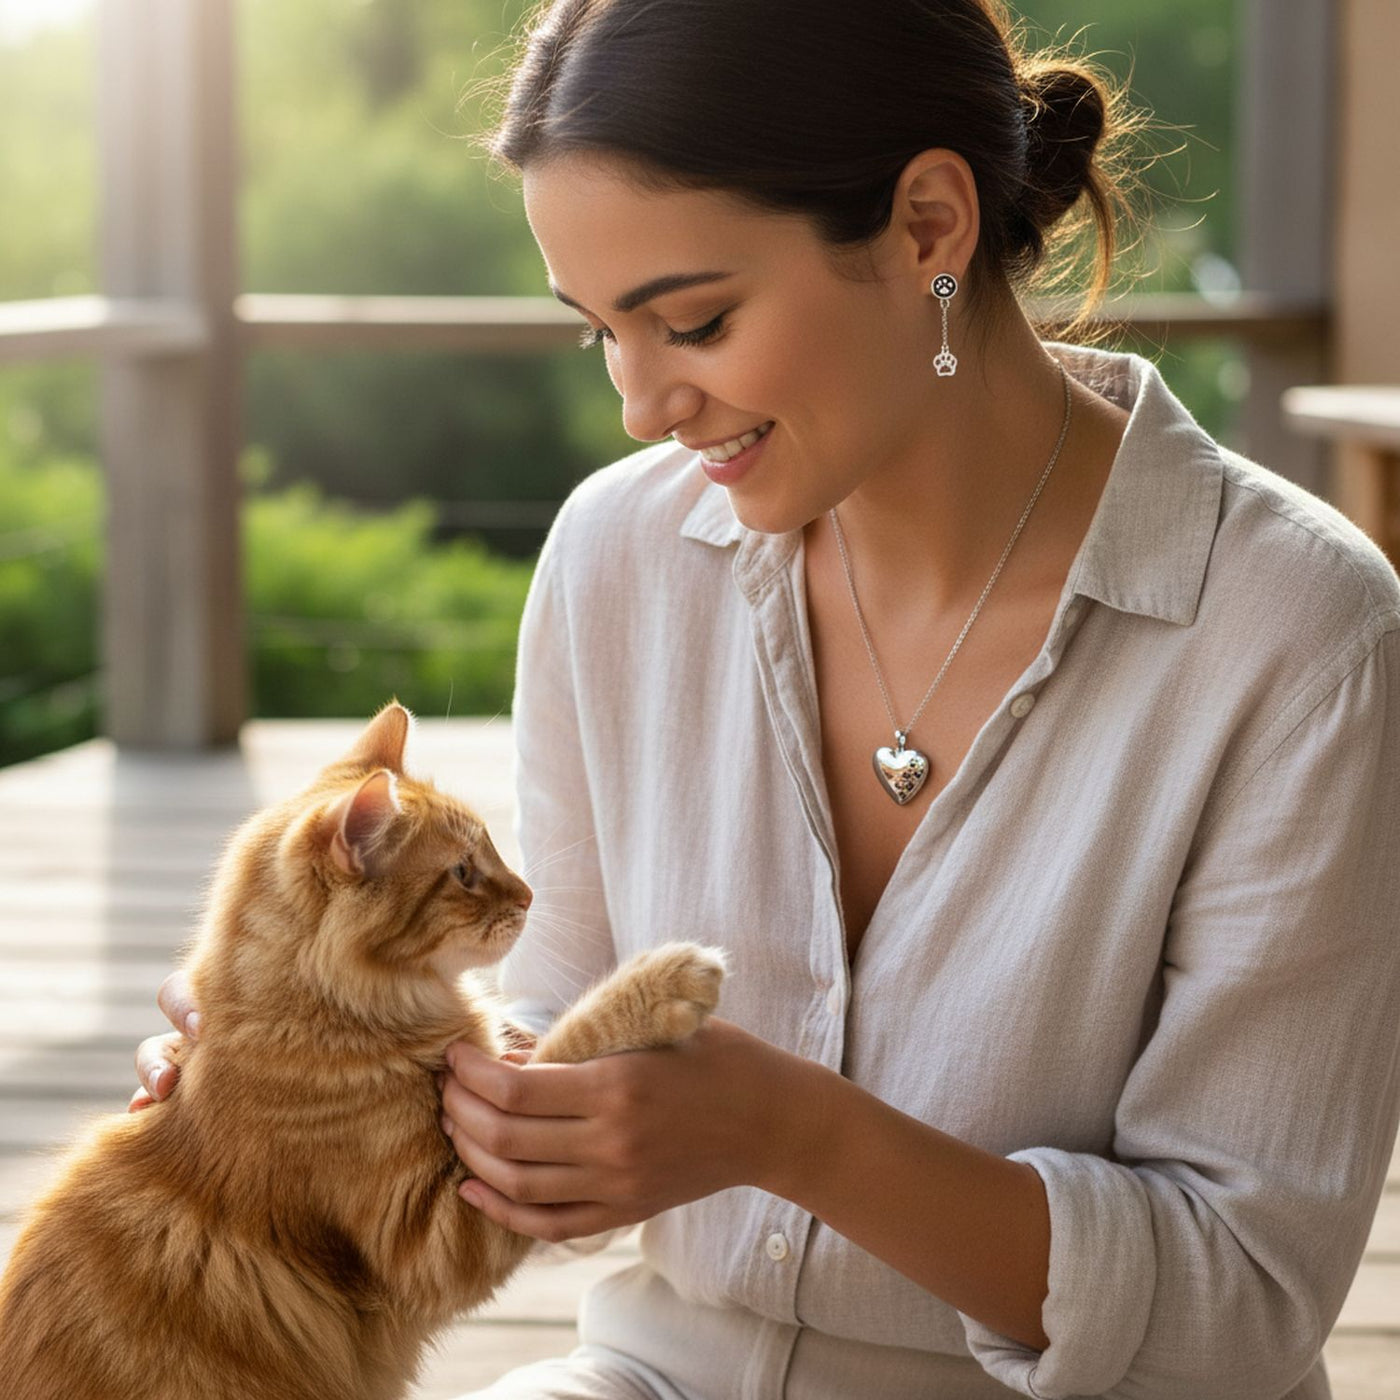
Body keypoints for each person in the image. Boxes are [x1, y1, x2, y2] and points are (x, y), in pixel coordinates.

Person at [133, 2, 1400, 1396]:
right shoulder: (617, 555)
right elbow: (550, 1070)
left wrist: (801, 1138)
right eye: (598, 334)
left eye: (693, 320)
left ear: (928, 225)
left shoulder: (1298, 632)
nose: (640, 404)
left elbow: (1245, 1299)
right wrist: (313, 1074)